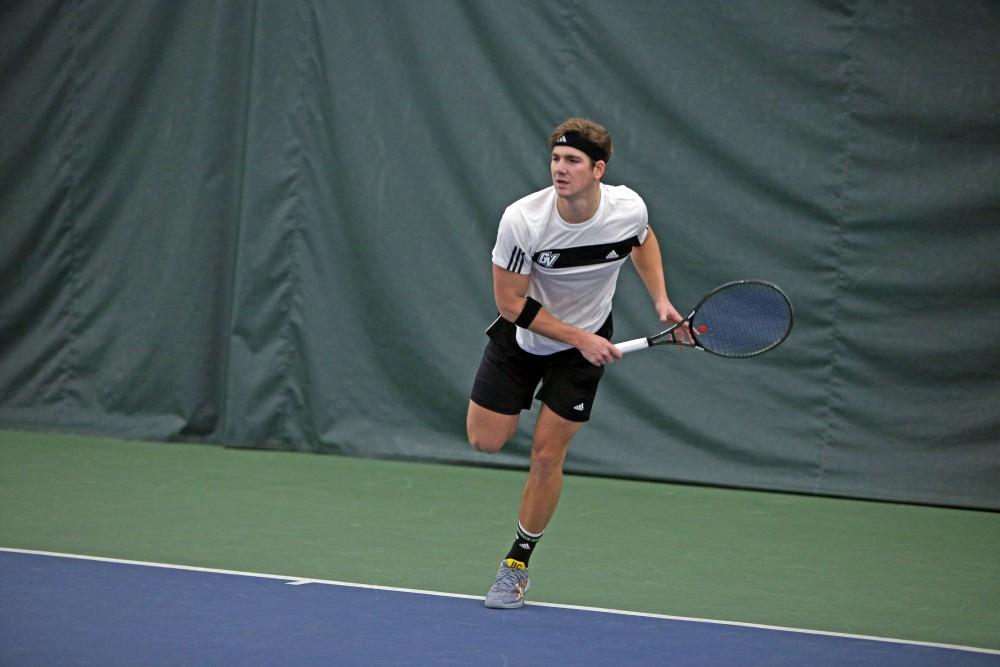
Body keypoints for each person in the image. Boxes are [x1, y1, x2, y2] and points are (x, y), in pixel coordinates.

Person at [466, 117, 686, 609]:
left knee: (547, 455)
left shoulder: (628, 208)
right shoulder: (523, 220)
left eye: (572, 161)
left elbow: (642, 240)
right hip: (522, 340)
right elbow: (509, 303)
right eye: (556, 159)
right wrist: (576, 336)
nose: (560, 170)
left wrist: (660, 300)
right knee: (485, 440)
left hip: (582, 351)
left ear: (598, 169)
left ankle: (516, 564)